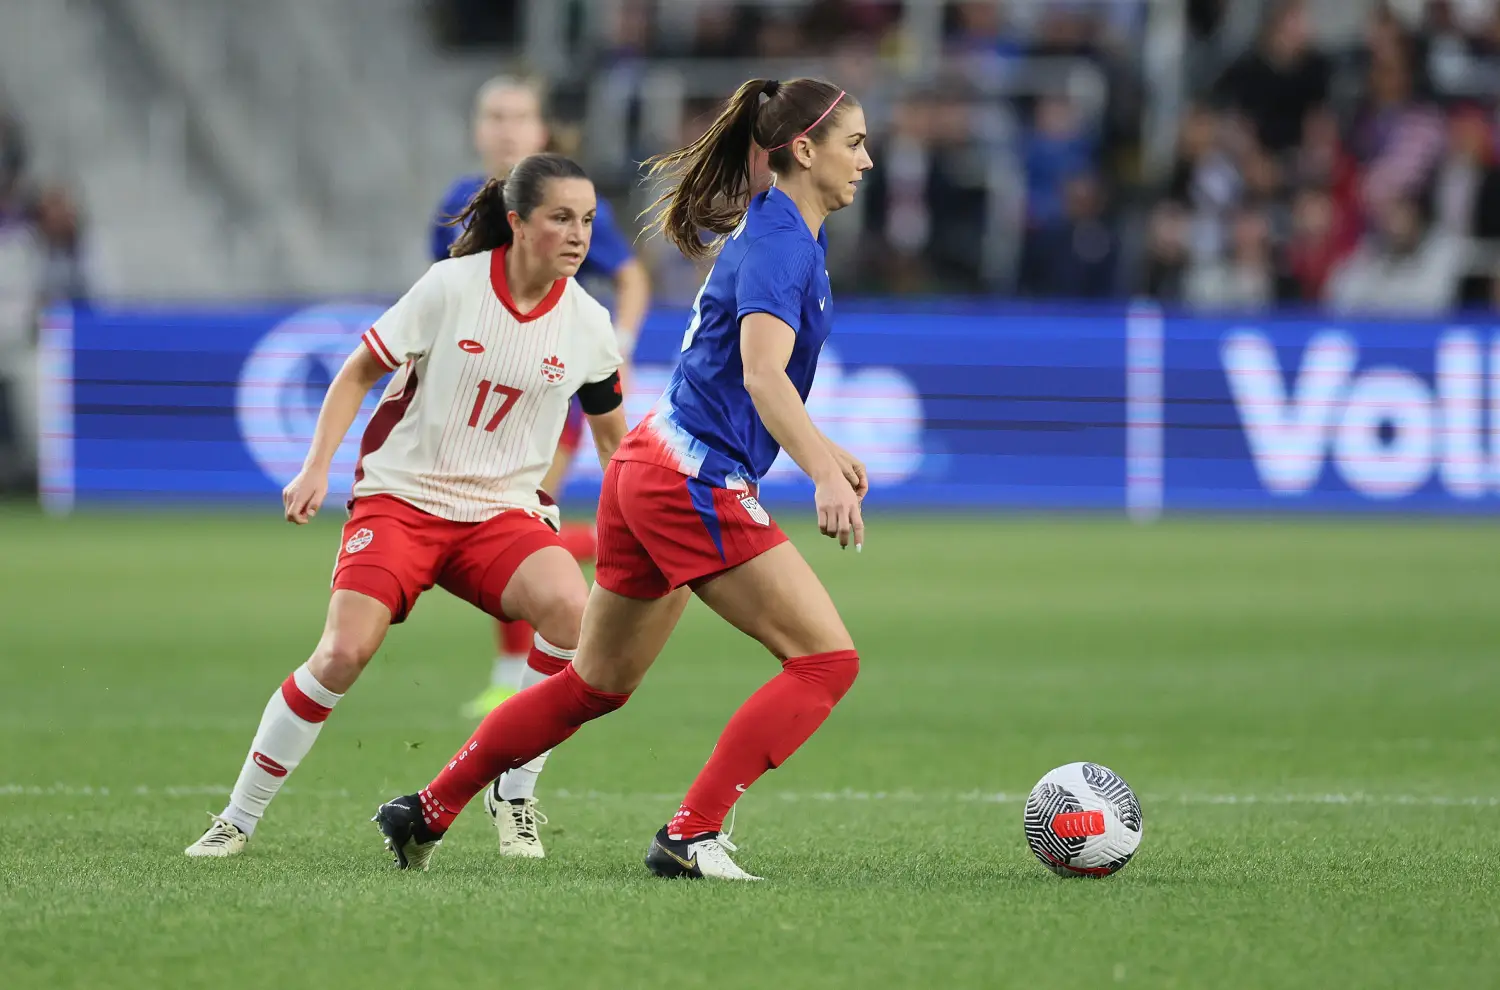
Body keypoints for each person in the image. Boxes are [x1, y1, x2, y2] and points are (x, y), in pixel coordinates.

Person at [373, 76, 874, 881]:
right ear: (804, 150)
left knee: (595, 683)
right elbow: (761, 375)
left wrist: (823, 447)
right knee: (824, 661)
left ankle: (426, 808)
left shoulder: (780, 230)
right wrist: (822, 472)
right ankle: (692, 834)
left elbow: (747, 375)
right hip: (691, 479)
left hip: (651, 462)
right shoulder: (783, 241)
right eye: (853, 143)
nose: (868, 160)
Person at [185, 154, 627, 860]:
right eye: (561, 218)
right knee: (342, 652)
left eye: (587, 221)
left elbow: (613, 439)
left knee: (576, 618)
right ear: (516, 223)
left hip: (502, 512)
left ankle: (514, 793)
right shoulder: (450, 288)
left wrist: (636, 520)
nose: (578, 236)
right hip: (403, 499)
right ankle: (237, 819)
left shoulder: (588, 324)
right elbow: (360, 370)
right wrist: (315, 467)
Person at [435, 74, 652, 720]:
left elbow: (630, 274)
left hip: (548, 391)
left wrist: (623, 345)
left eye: (518, 115)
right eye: (494, 115)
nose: (505, 128)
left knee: (515, 520)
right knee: (498, 524)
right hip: (477, 396)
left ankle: (513, 675)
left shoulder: (569, 200)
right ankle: (636, 542)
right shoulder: (456, 201)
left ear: (540, 130)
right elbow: (444, 296)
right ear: (478, 127)